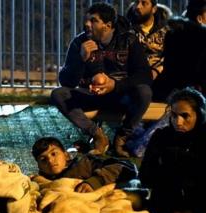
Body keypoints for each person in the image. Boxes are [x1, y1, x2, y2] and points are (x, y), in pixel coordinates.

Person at [51, 3, 152, 158]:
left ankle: (122, 137)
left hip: (121, 96)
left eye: (93, 20)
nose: (87, 24)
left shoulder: (128, 40)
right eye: (87, 20)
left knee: (144, 92)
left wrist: (115, 85)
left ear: (107, 25)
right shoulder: (79, 43)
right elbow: (66, 82)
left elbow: (145, 75)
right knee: (58, 94)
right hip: (92, 95)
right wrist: (81, 59)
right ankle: (98, 136)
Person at [139, 87, 206, 213]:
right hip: (164, 200)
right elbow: (145, 176)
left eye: (185, 116)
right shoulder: (161, 137)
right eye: (174, 115)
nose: (178, 122)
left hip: (195, 206)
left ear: (199, 115)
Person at [31, 137, 138, 193]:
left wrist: (96, 182)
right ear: (39, 166)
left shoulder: (84, 163)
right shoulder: (42, 183)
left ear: (66, 155)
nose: (50, 161)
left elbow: (125, 167)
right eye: (43, 159)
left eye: (54, 154)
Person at [153, 0, 206, 99]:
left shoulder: (172, 33)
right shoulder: (202, 38)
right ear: (199, 18)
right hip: (193, 91)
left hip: (168, 89)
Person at [126, 0, 171, 87]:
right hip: (134, 79)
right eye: (136, 2)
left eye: (144, 3)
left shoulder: (167, 30)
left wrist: (157, 70)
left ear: (153, 9)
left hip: (162, 77)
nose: (138, 6)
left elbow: (171, 55)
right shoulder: (125, 29)